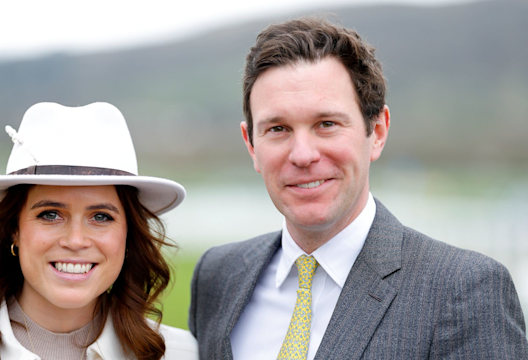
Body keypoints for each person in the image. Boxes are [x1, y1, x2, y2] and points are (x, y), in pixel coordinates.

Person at [188, 17, 528, 359]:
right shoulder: (218, 276)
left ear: (377, 131)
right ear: (251, 145)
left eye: (326, 124)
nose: (303, 155)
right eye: (278, 129)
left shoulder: (464, 290)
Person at [0, 102, 198, 360]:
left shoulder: (183, 354)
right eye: (50, 215)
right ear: (13, 229)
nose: (75, 240)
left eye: (100, 216)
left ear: (128, 235)